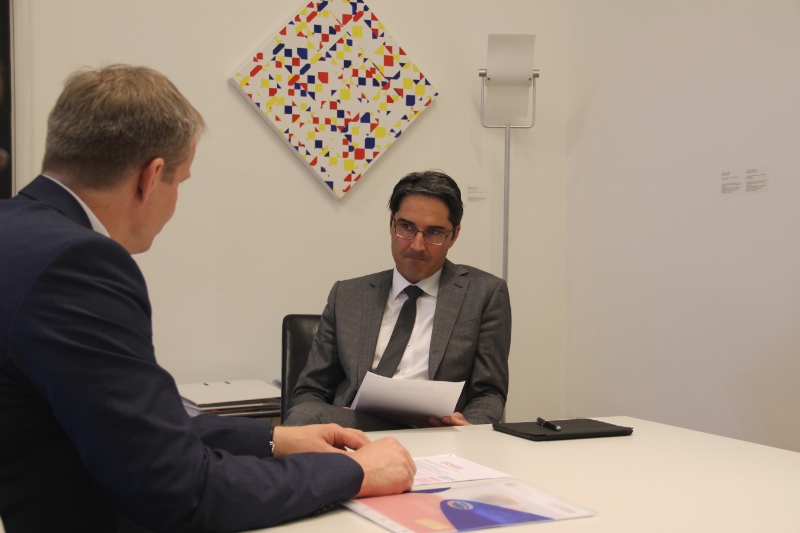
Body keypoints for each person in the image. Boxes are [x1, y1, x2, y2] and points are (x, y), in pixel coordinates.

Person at [0, 65, 415, 533]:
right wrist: (354, 471)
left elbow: (127, 427)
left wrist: (276, 438)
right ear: (151, 176)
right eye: (181, 182)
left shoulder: (15, 234)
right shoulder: (78, 263)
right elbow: (180, 490)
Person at [284, 171, 511, 431]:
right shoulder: (347, 295)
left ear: (454, 235)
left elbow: (489, 392)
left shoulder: (484, 294)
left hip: (436, 431)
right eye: (407, 227)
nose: (417, 245)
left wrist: (470, 429)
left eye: (433, 232)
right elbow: (311, 390)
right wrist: (328, 424)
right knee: (304, 415)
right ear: (392, 224)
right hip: (355, 428)